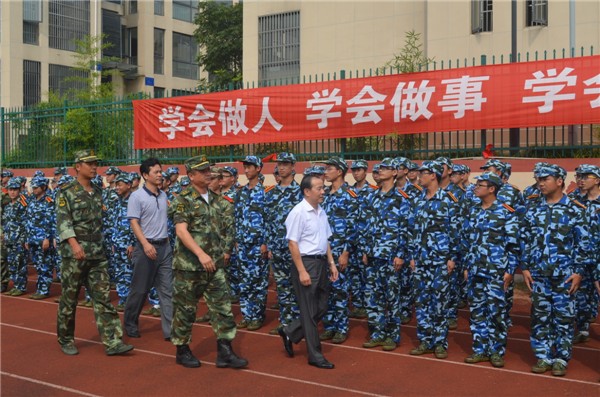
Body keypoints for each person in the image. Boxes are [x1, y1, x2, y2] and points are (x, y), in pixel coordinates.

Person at [170, 155, 248, 369]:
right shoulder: (182, 200)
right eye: (202, 171)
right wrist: (200, 254)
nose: (208, 173)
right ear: (191, 175)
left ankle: (225, 351)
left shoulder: (216, 200)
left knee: (222, 309)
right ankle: (182, 350)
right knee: (185, 310)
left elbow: (222, 230)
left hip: (214, 267)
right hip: (189, 267)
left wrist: (221, 251)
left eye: (208, 170)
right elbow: (181, 231)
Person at [55, 149, 133, 356]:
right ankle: (66, 338)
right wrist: (74, 245)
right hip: (75, 254)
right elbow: (64, 222)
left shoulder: (98, 191)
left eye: (95, 163)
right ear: (78, 167)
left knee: (103, 298)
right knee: (70, 298)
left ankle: (113, 341)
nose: (94, 167)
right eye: (89, 163)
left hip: (97, 253)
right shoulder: (66, 192)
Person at [521, 164, 589, 377]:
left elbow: (584, 243)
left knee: (564, 317)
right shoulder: (533, 209)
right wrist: (525, 267)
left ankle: (560, 358)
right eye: (538, 179)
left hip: (565, 275)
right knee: (540, 317)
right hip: (539, 274)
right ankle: (543, 356)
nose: (540, 183)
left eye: (545, 179)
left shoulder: (575, 209)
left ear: (559, 181)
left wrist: (578, 271)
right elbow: (526, 239)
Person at [278, 174, 339, 369]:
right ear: (307, 191)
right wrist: (302, 271)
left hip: (320, 264)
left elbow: (326, 239)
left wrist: (331, 263)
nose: (323, 191)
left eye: (323, 188)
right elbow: (293, 243)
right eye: (319, 188)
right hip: (306, 264)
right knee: (309, 311)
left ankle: (290, 330)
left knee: (321, 307)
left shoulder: (321, 211)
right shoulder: (298, 212)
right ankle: (315, 355)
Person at [460, 172, 520, 368]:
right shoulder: (473, 211)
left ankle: (496, 351)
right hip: (476, 270)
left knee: (496, 313)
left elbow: (513, 246)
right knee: (477, 311)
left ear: (492, 189)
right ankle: (479, 349)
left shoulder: (505, 212)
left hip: (496, 271)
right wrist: (467, 266)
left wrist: (510, 271)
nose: (476, 187)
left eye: (481, 185)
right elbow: (467, 241)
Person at [408, 160, 459, 359]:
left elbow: (455, 231)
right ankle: (425, 340)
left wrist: (452, 257)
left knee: (439, 302)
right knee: (421, 302)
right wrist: (412, 256)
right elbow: (413, 230)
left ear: (433, 175)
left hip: (440, 260)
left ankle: (440, 342)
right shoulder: (417, 200)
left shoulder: (448, 200)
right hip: (420, 260)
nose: (419, 176)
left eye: (423, 173)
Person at [360, 158, 410, 351]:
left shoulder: (402, 198)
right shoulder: (372, 197)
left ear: (395, 173)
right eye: (380, 168)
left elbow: (405, 228)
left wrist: (400, 254)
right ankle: (377, 333)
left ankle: (392, 335)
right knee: (373, 296)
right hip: (373, 254)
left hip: (390, 256)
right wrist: (365, 250)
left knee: (392, 297)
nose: (381, 171)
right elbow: (365, 225)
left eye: (386, 168)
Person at [124, 157, 173, 341]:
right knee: (140, 289)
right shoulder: (136, 196)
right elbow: (134, 222)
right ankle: (130, 323)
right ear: (145, 175)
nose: (160, 175)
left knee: (167, 290)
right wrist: (145, 244)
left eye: (161, 171)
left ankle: (170, 330)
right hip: (146, 248)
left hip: (164, 248)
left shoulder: (163, 195)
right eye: (156, 172)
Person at [319, 156, 359, 345]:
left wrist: (346, 252)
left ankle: (341, 328)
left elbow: (353, 227)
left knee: (340, 290)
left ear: (340, 171)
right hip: (323, 251)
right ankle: (329, 326)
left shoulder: (349, 195)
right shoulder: (323, 194)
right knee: (325, 290)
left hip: (340, 251)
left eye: (330, 168)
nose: (326, 171)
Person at [264, 153, 302, 334]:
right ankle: (286, 322)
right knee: (282, 287)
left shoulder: (301, 192)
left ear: (293, 167)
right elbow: (268, 221)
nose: (282, 167)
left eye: (286, 164)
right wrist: (270, 245)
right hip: (277, 248)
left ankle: (298, 323)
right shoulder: (271, 193)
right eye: (280, 164)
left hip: (295, 249)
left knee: (298, 286)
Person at [235, 155, 268, 331]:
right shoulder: (241, 193)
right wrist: (237, 240)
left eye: (250, 167)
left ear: (258, 168)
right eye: (245, 167)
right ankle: (247, 315)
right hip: (243, 244)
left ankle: (257, 316)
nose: (246, 170)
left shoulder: (265, 192)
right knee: (244, 281)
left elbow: (268, 219)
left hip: (258, 245)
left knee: (258, 281)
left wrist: (265, 243)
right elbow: (238, 218)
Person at [25, 176, 56, 299]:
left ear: (43, 187)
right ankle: (40, 289)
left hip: (43, 238)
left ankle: (44, 290)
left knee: (45, 265)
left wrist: (47, 238)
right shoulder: (32, 200)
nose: (34, 189)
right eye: (33, 187)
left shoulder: (48, 201)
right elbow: (28, 220)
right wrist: (27, 239)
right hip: (32, 238)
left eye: (36, 187)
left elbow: (51, 221)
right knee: (38, 265)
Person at [109, 173, 135, 311]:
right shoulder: (117, 201)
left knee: (129, 272)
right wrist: (113, 242)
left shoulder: (134, 201)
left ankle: (130, 301)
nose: (117, 187)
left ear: (129, 185)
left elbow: (136, 224)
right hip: (117, 243)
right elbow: (114, 222)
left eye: (120, 184)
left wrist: (133, 243)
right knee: (119, 272)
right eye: (116, 184)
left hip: (128, 245)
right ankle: (122, 298)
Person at [2, 178, 28, 296]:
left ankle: (21, 286)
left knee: (20, 264)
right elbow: (5, 222)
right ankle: (15, 285)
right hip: (9, 239)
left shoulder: (22, 204)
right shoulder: (7, 206)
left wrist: (23, 239)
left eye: (15, 190)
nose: (12, 192)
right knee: (12, 264)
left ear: (20, 190)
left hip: (19, 240)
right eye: (10, 189)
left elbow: (26, 223)